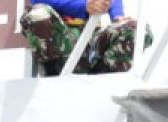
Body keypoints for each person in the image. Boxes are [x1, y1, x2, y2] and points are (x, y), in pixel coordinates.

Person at [21, 0, 151, 77]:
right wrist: (84, 6)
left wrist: (117, 16)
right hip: (61, 41)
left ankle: (105, 79)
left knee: (137, 30)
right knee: (38, 14)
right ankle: (53, 72)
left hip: (90, 40)